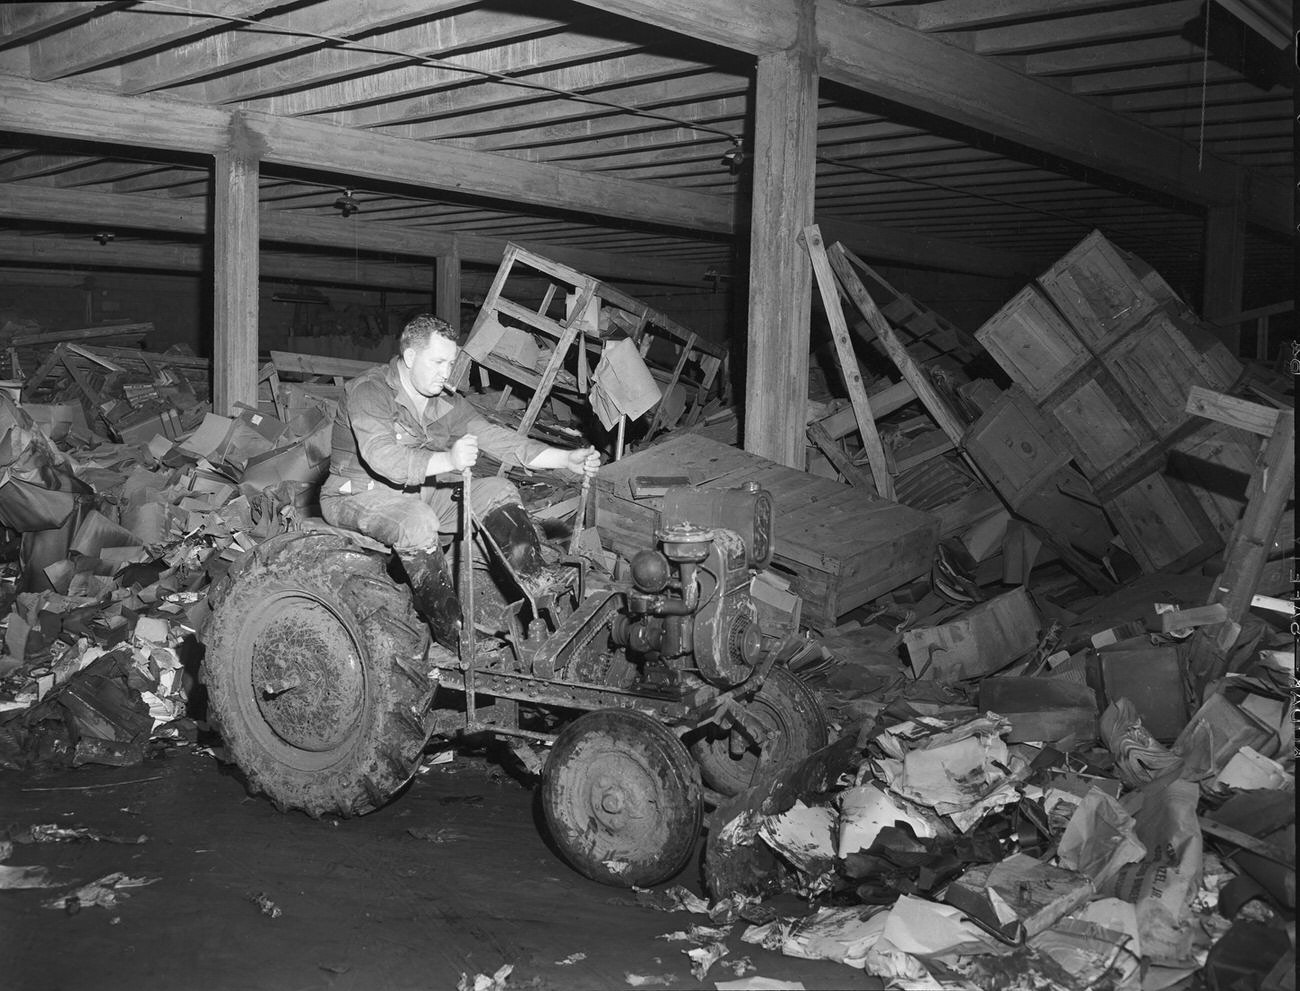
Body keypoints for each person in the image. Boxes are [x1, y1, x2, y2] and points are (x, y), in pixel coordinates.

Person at [320, 314, 600, 646]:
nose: (446, 372)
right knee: (417, 521)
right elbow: (382, 457)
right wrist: (448, 460)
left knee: (497, 490)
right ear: (410, 357)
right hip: (356, 497)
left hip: (415, 495)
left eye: (450, 363)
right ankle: (454, 635)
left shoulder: (443, 400)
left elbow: (496, 438)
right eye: (438, 361)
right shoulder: (369, 391)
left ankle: (539, 586)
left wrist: (564, 459)